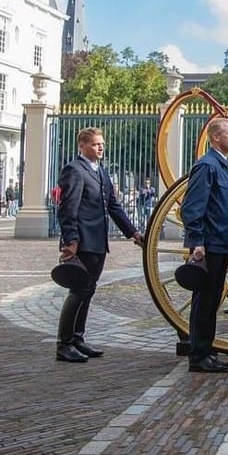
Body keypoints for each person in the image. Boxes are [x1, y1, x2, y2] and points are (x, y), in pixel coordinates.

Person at [55, 127, 143, 362]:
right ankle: (64, 344)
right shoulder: (75, 170)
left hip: (98, 242)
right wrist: (71, 241)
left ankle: (77, 338)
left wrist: (133, 232)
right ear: (82, 146)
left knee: (88, 291)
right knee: (78, 291)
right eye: (95, 144)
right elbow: (67, 209)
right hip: (83, 242)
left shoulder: (100, 172)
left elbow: (113, 206)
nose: (101, 147)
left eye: (102, 144)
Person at [180, 118, 228, 374]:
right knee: (204, 301)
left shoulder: (221, 165)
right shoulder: (207, 165)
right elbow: (193, 206)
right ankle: (199, 355)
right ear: (215, 137)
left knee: (212, 300)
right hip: (210, 244)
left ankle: (206, 349)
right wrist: (197, 242)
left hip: (220, 243)